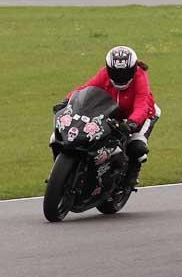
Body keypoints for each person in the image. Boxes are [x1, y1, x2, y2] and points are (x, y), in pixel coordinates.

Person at [53, 46, 159, 188]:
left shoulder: (140, 77)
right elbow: (86, 88)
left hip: (143, 115)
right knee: (71, 135)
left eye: (125, 73)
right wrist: (66, 101)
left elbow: (142, 104)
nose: (120, 78)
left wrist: (132, 123)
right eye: (116, 73)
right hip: (112, 112)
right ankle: (70, 170)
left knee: (136, 147)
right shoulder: (104, 74)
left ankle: (132, 175)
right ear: (109, 69)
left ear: (133, 70)